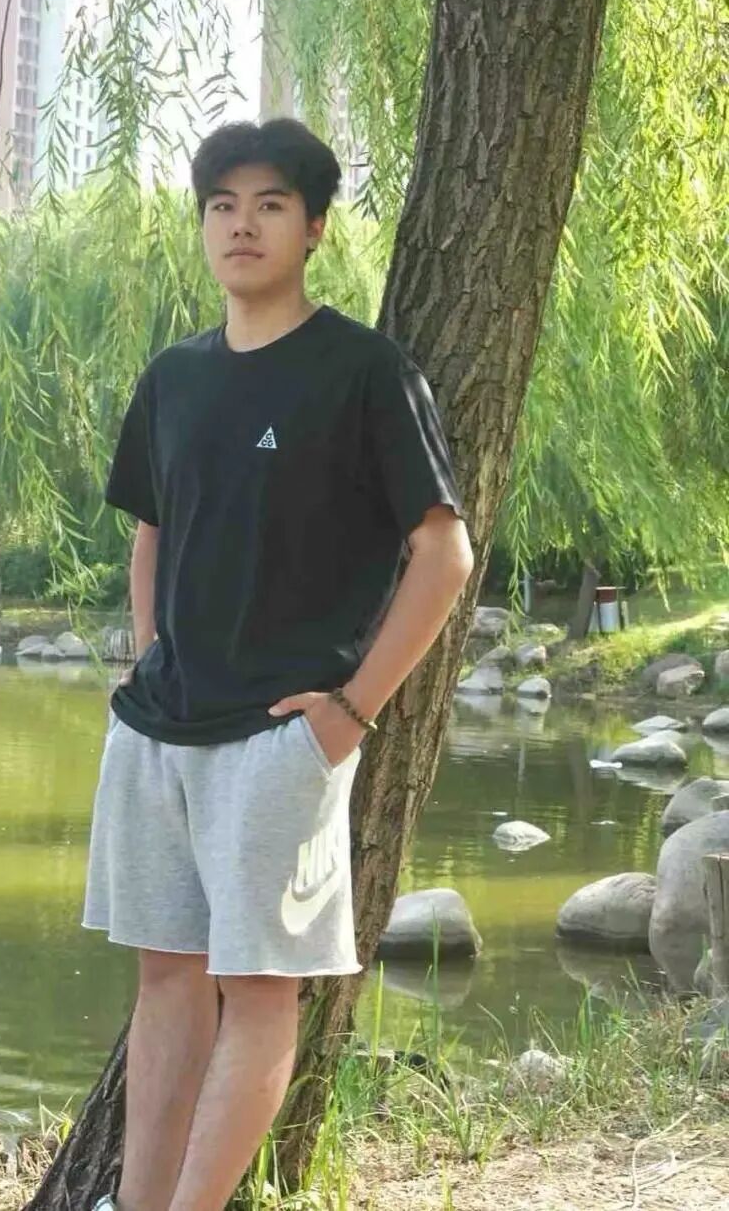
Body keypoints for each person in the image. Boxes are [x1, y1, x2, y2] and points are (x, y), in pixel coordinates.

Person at [83, 118, 474, 1211]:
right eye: (222, 206)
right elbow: (152, 528)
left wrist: (349, 712)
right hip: (158, 729)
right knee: (167, 977)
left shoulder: (363, 371)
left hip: (277, 737)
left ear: (313, 229)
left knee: (259, 989)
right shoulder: (174, 377)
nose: (241, 225)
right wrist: (151, 657)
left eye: (268, 205)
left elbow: (444, 551)